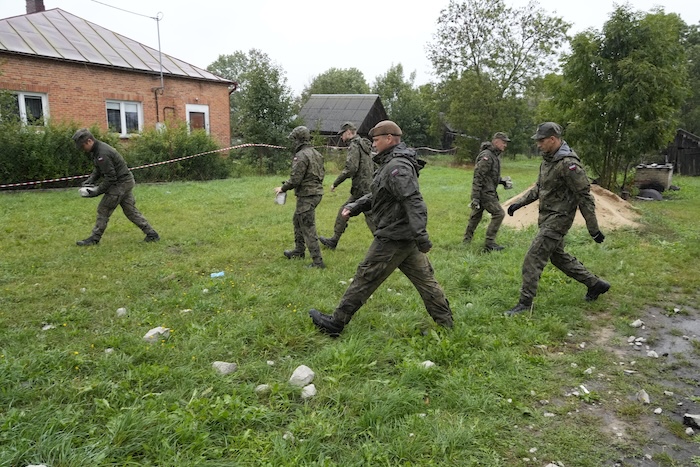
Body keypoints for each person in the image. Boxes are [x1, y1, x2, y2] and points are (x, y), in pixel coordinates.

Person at [309, 120, 453, 335]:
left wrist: (421, 235)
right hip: (404, 235)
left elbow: (413, 201)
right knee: (425, 280)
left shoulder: (397, 167)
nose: (373, 144)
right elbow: (381, 192)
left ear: (389, 139)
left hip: (394, 235)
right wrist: (357, 205)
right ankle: (447, 324)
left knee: (366, 276)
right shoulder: (391, 163)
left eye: (376, 140)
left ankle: (336, 323)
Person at [505, 122, 610, 316]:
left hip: (559, 219)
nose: (538, 145)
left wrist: (593, 229)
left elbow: (585, 196)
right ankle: (595, 284)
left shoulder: (568, 164)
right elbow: (539, 188)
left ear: (553, 139)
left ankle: (524, 304)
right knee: (558, 257)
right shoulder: (548, 160)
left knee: (533, 257)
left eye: (541, 141)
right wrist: (518, 204)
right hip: (546, 217)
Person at [73, 128, 159, 246]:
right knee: (130, 211)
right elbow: (98, 169)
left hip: (121, 184)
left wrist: (96, 192)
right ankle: (152, 234)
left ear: (89, 141)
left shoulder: (102, 153)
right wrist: (90, 180)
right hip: (125, 181)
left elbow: (110, 178)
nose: (82, 150)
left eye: (82, 146)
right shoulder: (97, 150)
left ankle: (94, 238)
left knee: (103, 209)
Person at [274, 126, 326, 269]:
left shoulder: (302, 155)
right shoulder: (316, 154)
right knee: (297, 220)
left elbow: (296, 179)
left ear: (298, 139)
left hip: (307, 196)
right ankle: (299, 251)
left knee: (308, 227)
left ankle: (318, 262)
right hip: (315, 193)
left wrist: (282, 188)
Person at [319, 121, 376, 250]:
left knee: (367, 215)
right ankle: (334, 240)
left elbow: (351, 168)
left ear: (349, 132)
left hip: (361, 188)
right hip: (368, 185)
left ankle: (384, 244)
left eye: (342, 134)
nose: (341, 137)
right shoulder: (365, 144)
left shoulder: (354, 146)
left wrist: (336, 183)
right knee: (346, 211)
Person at [463, 132, 513, 251]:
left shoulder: (494, 156)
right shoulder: (487, 156)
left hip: (486, 191)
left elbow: (490, 176)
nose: (505, 145)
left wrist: (502, 181)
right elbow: (478, 176)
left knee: (476, 216)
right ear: (496, 141)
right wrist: (475, 197)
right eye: (503, 142)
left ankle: (466, 240)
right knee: (499, 214)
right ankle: (489, 244)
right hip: (485, 193)